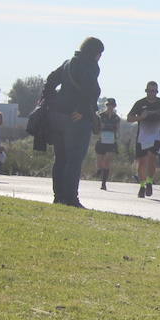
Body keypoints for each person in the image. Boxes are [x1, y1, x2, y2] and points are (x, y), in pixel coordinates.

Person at [45, 37, 103, 207]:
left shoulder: (68, 63)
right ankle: (71, 198)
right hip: (76, 119)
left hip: (58, 116)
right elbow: (89, 89)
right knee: (74, 159)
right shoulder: (90, 65)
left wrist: (53, 102)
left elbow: (50, 81)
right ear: (95, 52)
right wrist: (82, 109)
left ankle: (59, 196)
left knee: (60, 158)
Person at [128, 81, 160, 198]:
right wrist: (141, 117)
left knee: (151, 159)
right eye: (150, 91)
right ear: (146, 91)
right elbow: (129, 118)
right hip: (142, 136)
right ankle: (142, 186)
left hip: (156, 135)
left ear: (157, 92)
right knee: (142, 162)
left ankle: (149, 182)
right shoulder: (140, 103)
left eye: (154, 91)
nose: (152, 93)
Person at [94, 98, 120, 189]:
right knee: (100, 162)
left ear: (114, 106)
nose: (110, 107)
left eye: (112, 105)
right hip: (101, 140)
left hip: (111, 141)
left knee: (107, 162)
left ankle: (103, 183)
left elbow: (117, 129)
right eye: (108, 105)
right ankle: (99, 171)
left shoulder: (116, 118)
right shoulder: (100, 116)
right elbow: (96, 128)